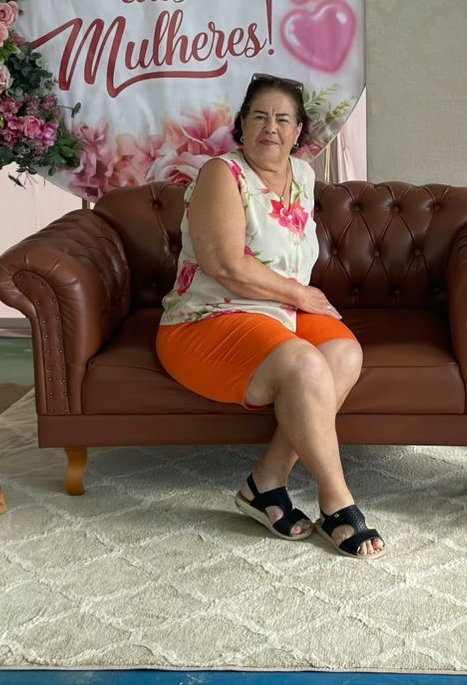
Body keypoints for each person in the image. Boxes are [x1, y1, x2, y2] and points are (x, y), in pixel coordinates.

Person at [154, 73, 386, 559]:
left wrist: (296, 301)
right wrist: (303, 296)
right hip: (208, 316)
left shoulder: (302, 174)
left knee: (343, 354)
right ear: (242, 124)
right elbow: (224, 265)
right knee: (303, 364)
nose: (270, 127)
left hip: (277, 312)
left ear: (298, 131)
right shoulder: (222, 173)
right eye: (259, 116)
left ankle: (265, 483)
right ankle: (337, 502)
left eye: (283, 119)